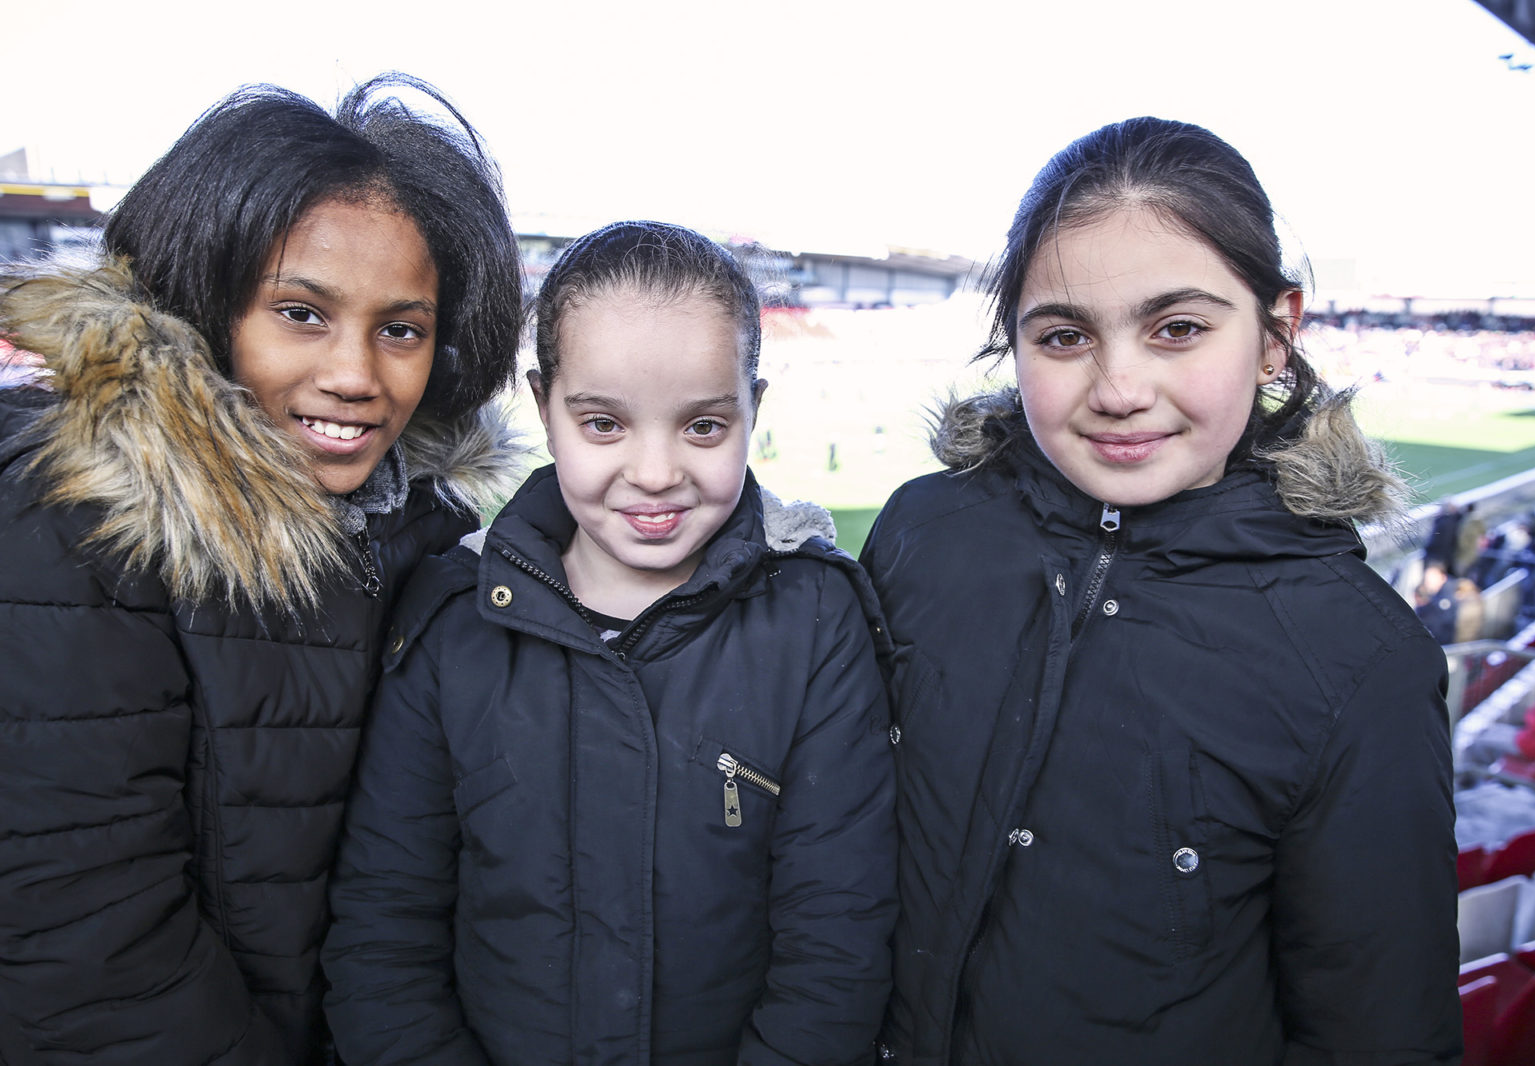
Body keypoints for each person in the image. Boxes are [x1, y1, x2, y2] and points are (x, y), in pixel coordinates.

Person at [860, 118, 1461, 1064]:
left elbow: (1380, 1036)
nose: (1119, 388)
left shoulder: (1361, 660)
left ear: (1276, 334)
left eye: (1177, 329)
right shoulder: (920, 531)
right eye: (1065, 336)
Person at [0, 74, 526, 1064]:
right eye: (301, 313)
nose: (356, 375)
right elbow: (90, 948)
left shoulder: (420, 532)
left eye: (401, 329)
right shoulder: (72, 519)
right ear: (204, 302)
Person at [321, 220, 896, 1066]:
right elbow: (384, 929)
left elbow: (836, 938)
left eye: (703, 427)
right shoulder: (452, 619)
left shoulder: (815, 619)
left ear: (753, 409)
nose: (655, 472)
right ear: (543, 405)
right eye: (603, 424)